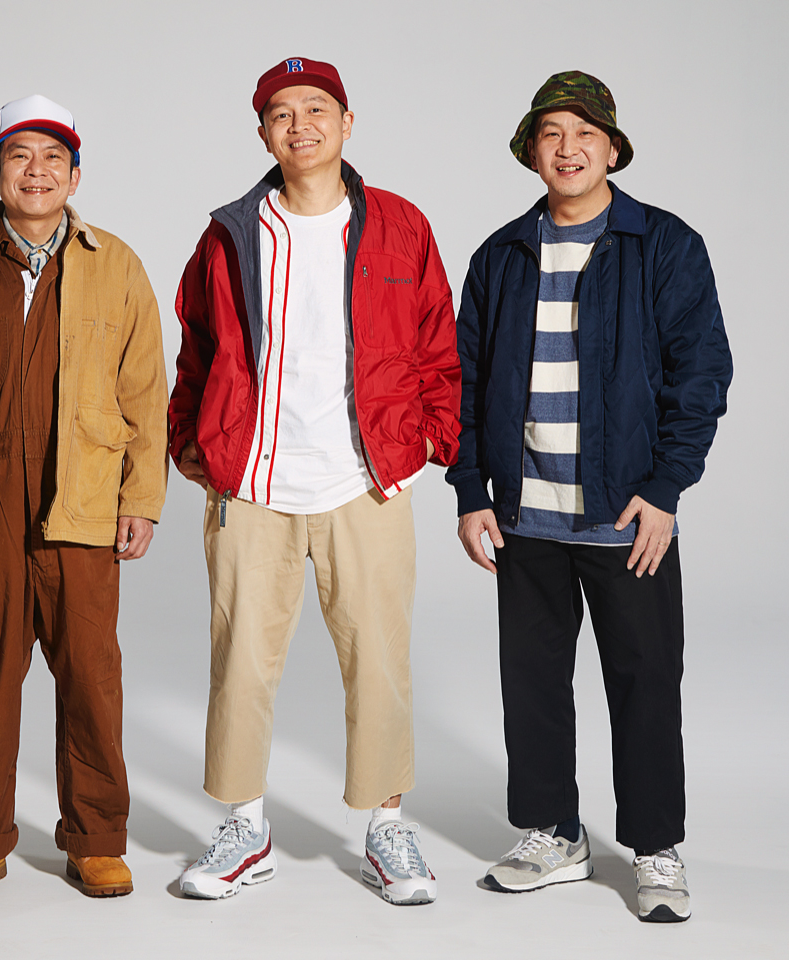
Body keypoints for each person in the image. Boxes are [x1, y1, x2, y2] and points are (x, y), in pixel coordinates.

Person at [168, 58, 460, 905]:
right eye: (281, 114)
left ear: (346, 122)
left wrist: (425, 442)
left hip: (364, 482)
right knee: (241, 664)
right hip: (252, 484)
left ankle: (385, 828)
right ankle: (243, 828)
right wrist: (195, 449)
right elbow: (196, 351)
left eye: (316, 109)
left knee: (379, 662)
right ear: (263, 133)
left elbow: (437, 345)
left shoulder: (400, 225)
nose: (300, 125)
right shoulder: (229, 233)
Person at [447, 72, 732, 922]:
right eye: (550, 134)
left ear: (611, 149)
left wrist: (665, 488)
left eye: (583, 134)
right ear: (530, 151)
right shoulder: (500, 254)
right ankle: (553, 834)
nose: (566, 149)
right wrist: (469, 489)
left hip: (625, 515)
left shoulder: (663, 244)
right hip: (522, 514)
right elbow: (463, 383)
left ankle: (654, 846)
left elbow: (701, 373)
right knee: (532, 682)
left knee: (644, 682)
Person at [0, 95, 168, 900]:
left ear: (75, 176)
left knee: (91, 678)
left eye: (53, 158)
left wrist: (140, 497)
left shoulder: (116, 264)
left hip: (85, 495)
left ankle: (96, 838)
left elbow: (145, 394)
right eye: (19, 157)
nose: (36, 171)